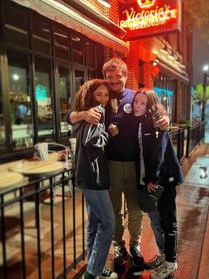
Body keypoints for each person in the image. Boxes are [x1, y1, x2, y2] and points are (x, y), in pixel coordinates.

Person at [67, 58, 170, 276]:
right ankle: (118, 247)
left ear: (126, 75)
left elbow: (156, 111)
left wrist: (166, 119)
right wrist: (82, 114)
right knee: (112, 211)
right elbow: (71, 116)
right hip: (110, 165)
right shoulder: (102, 98)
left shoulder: (135, 97)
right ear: (105, 78)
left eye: (118, 76)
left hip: (135, 165)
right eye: (109, 76)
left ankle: (134, 246)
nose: (114, 81)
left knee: (135, 210)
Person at [132, 89, 184, 279]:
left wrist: (152, 178)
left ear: (150, 106)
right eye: (136, 101)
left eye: (143, 103)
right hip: (149, 182)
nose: (138, 106)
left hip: (163, 180)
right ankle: (164, 256)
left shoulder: (156, 123)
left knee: (168, 222)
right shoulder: (138, 122)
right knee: (155, 223)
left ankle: (170, 263)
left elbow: (159, 153)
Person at [73, 79, 117, 279]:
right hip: (93, 177)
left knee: (94, 223)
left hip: (87, 175)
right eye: (99, 94)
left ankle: (94, 266)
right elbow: (91, 141)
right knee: (108, 223)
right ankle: (93, 272)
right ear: (90, 95)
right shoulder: (96, 112)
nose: (103, 99)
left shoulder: (85, 113)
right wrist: (108, 133)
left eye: (106, 95)